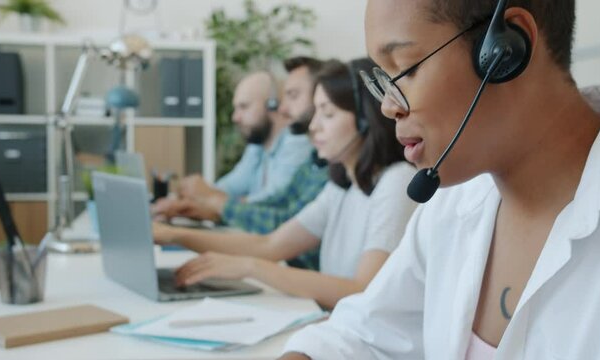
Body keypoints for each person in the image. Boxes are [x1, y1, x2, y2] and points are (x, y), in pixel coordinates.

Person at [280, 0, 600, 359]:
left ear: (507, 49)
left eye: (406, 68)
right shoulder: (454, 200)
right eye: (383, 77)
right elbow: (362, 333)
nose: (388, 107)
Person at [152, 58, 419, 309]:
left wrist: (251, 267)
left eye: (327, 114)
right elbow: (270, 245)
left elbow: (362, 290)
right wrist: (174, 235)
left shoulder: (396, 181)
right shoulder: (341, 186)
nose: (313, 127)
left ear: (365, 120)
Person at [154, 57, 328, 270]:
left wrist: (212, 204)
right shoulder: (303, 161)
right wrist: (203, 205)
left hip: (296, 272)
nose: (235, 117)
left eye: (244, 107)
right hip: (283, 263)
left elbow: (280, 218)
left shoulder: (305, 150)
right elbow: (268, 201)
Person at [153, 70, 313, 221]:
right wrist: (185, 204)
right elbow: (230, 187)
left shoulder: (296, 143)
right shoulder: (258, 147)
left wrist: (207, 196)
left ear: (273, 105)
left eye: (243, 107)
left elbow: (270, 204)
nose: (235, 117)